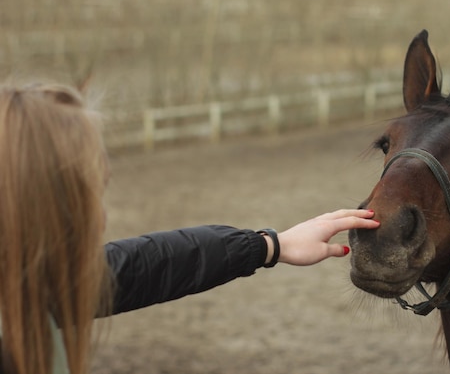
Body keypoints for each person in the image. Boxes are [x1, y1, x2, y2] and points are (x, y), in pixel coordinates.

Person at [0, 83, 380, 374]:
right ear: (37, 206)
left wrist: (270, 246)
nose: (100, 219)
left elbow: (148, 265)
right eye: (88, 197)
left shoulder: (28, 283)